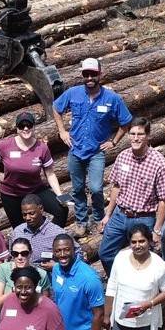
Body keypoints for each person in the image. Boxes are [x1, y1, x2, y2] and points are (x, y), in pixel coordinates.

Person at [51, 57, 133, 233]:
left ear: (100, 75)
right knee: (78, 188)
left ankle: (98, 218)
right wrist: (62, 131)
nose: (89, 78)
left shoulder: (111, 98)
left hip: (96, 151)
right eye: (86, 74)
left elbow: (126, 122)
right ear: (82, 75)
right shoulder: (73, 93)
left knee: (96, 188)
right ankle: (81, 222)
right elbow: (56, 108)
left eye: (93, 74)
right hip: (76, 149)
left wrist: (113, 141)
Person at [97, 119, 165, 272]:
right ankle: (117, 281)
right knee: (105, 253)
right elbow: (116, 186)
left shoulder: (159, 163)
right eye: (132, 134)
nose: (136, 138)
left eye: (140, 134)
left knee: (142, 260)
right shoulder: (123, 156)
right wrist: (107, 215)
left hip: (143, 218)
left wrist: (157, 230)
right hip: (120, 214)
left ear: (148, 136)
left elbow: (163, 200)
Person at [0, 111, 67, 227]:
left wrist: (60, 195)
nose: (25, 128)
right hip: (11, 194)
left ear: (33, 127)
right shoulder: (6, 145)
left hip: (36, 190)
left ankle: (48, 238)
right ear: (17, 128)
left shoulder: (41, 148)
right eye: (22, 126)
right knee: (20, 228)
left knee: (61, 210)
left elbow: (50, 173)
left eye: (29, 125)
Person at [7, 194, 66, 265]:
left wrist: (57, 265)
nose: (28, 218)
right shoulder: (17, 232)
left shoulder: (57, 233)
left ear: (41, 209)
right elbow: (11, 257)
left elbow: (76, 256)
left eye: (31, 213)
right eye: (24, 215)